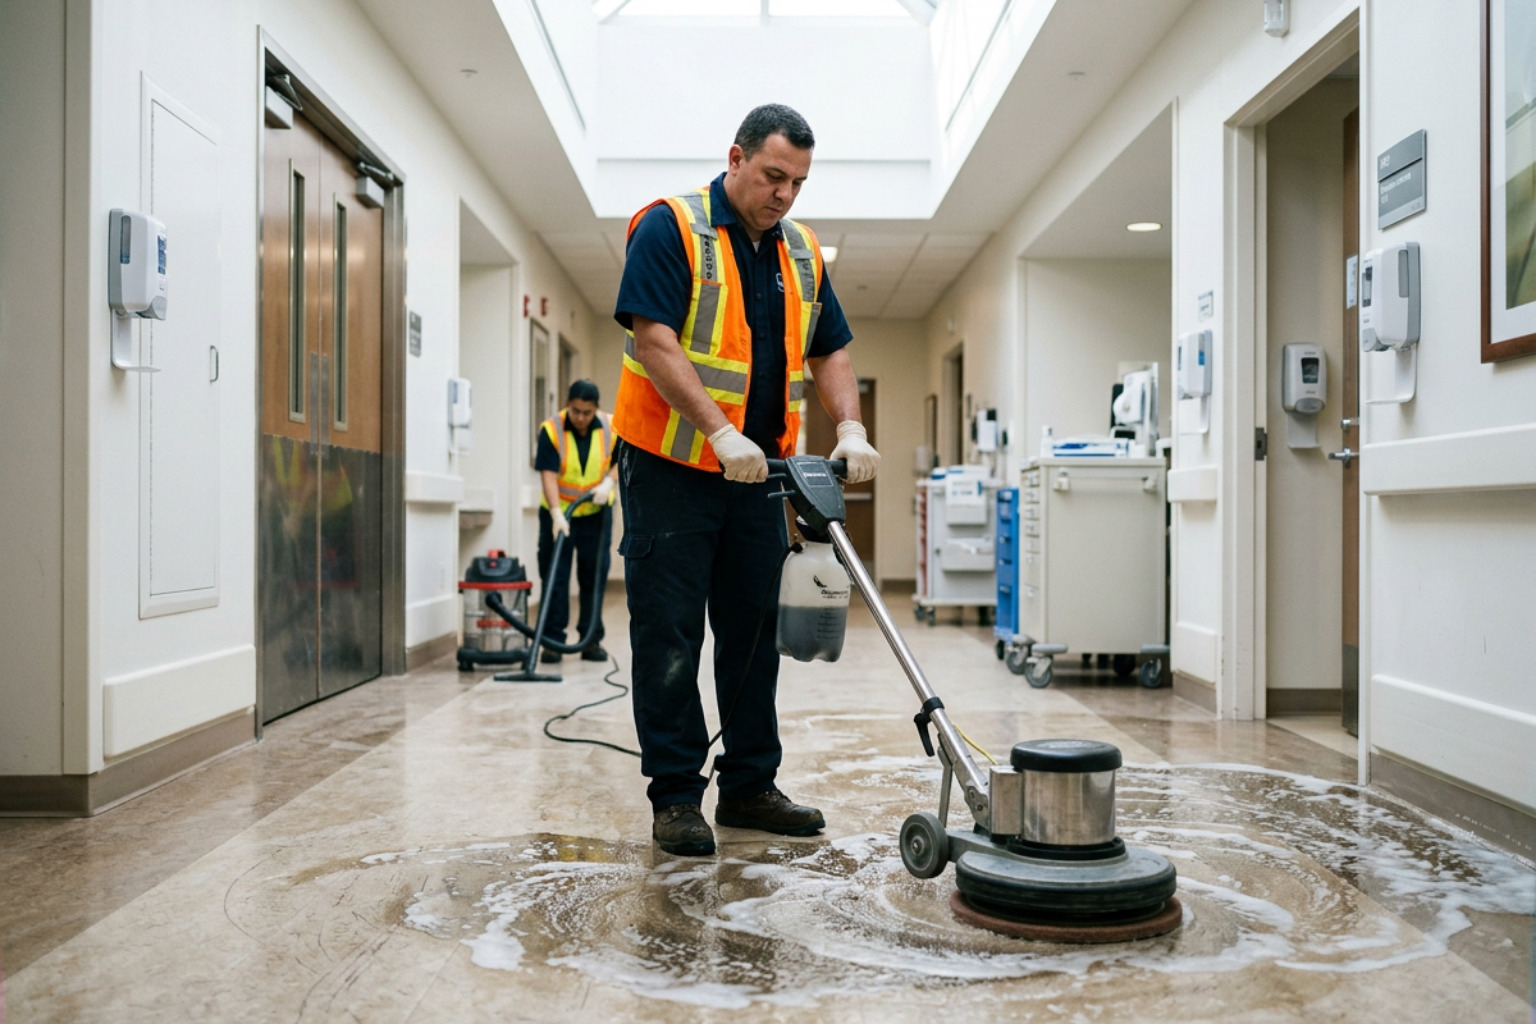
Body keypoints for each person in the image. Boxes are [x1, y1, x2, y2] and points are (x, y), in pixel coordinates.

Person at [611, 103, 881, 856]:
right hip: (672, 469)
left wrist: (850, 427)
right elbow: (654, 339)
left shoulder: (801, 252)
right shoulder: (671, 226)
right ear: (735, 158)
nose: (785, 195)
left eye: (797, 182)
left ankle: (751, 786)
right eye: (772, 176)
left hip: (760, 473)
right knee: (669, 634)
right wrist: (718, 429)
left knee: (754, 633)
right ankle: (674, 797)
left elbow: (830, 350)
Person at [534, 379, 617, 664]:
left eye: (586, 412)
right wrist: (556, 513)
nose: (580, 418)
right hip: (558, 516)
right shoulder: (551, 429)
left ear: (596, 409)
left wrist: (608, 483)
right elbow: (547, 473)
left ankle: (590, 640)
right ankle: (553, 642)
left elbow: (622, 459)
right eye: (575, 411)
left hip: (596, 514)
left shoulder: (611, 426)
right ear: (567, 405)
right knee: (555, 576)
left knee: (593, 576)